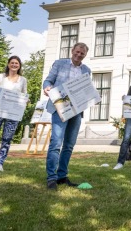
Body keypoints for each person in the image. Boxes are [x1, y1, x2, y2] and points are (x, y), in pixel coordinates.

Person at [43, 42, 91, 190]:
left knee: (69, 145)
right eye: (77, 52)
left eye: (82, 53)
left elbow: (85, 89)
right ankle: (51, 178)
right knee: (56, 143)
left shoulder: (87, 70)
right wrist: (47, 87)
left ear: (85, 55)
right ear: (72, 51)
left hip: (76, 110)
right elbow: (48, 80)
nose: (78, 55)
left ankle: (62, 176)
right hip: (60, 108)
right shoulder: (59, 64)